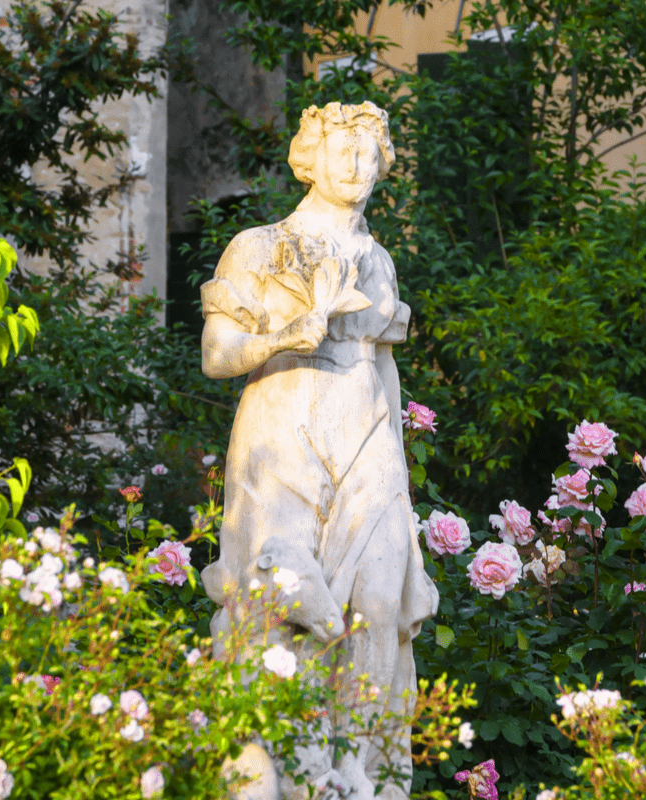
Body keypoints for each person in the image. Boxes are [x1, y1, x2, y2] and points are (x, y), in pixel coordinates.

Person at [197, 101, 438, 800]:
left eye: (369, 156)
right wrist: (284, 335)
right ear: (310, 157)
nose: (357, 168)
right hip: (283, 435)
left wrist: (401, 482)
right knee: (284, 605)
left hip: (365, 432)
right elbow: (217, 354)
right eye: (343, 153)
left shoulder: (378, 259)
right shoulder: (260, 245)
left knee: (381, 598)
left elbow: (384, 366)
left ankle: (359, 767)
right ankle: (285, 769)